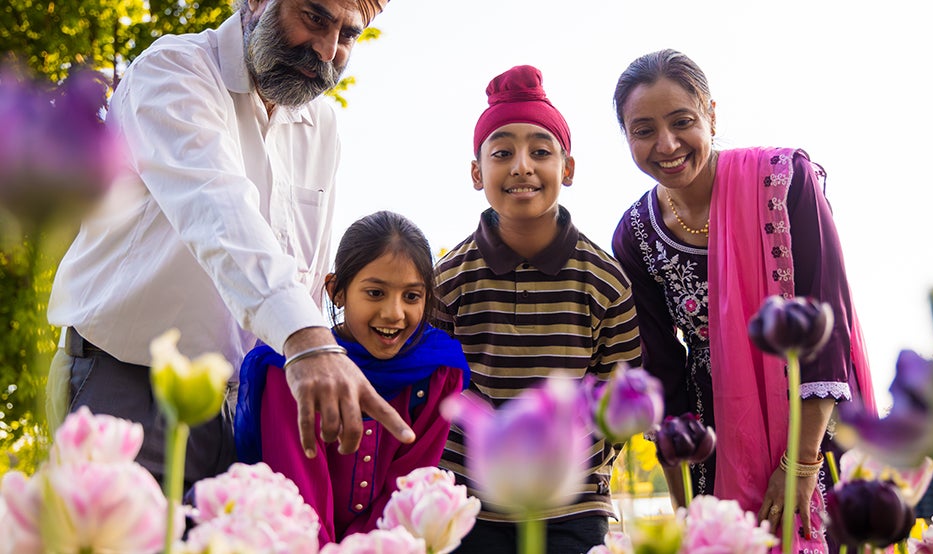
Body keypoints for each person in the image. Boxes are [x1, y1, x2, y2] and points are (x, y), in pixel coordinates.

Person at [44, 0, 414, 492]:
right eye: (315, 17)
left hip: (249, 406)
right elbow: (217, 212)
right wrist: (305, 339)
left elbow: (304, 268)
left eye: (348, 34)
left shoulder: (321, 127)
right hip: (127, 388)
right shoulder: (173, 71)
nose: (326, 51)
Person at [610, 49, 877, 550]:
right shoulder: (634, 234)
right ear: (626, 137)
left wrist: (800, 465)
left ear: (711, 114)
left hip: (816, 416)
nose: (666, 144)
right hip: (718, 434)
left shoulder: (783, 181)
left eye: (682, 121)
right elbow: (661, 372)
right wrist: (687, 511)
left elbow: (829, 318)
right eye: (642, 130)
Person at [434, 64, 642, 554]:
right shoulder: (448, 279)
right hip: (470, 503)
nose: (522, 166)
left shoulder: (605, 280)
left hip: (572, 507)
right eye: (502, 152)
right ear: (476, 171)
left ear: (566, 169)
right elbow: (438, 389)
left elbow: (619, 394)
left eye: (541, 152)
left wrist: (571, 464)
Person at [234, 210, 470, 546]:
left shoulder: (436, 375)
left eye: (412, 296)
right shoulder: (295, 372)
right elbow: (296, 492)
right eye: (375, 293)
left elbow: (407, 494)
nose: (394, 313)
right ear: (336, 291)